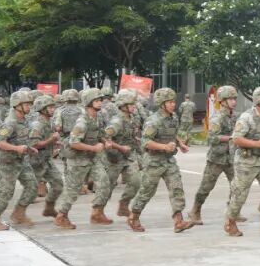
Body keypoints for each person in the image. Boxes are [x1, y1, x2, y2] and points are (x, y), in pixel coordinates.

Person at [128, 88, 194, 233]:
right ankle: (134, 216)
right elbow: (145, 142)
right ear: (162, 104)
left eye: (173, 102)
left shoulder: (173, 117)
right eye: (169, 102)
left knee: (176, 188)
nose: (173, 105)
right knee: (147, 191)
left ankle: (179, 221)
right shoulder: (153, 121)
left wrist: (180, 144)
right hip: (153, 161)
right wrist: (164, 146)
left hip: (169, 161)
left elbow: (173, 133)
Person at [223, 86, 260, 237]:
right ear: (259, 101)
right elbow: (236, 138)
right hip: (246, 160)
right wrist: (256, 144)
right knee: (240, 194)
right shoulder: (246, 117)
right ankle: (230, 222)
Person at [54, 88, 112, 229]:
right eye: (97, 101)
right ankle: (61, 216)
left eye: (100, 100)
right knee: (72, 191)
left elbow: (98, 134)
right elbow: (73, 142)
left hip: (92, 159)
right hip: (78, 161)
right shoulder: (82, 121)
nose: (100, 103)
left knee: (104, 183)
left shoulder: (96, 118)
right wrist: (94, 148)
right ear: (88, 102)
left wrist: (105, 141)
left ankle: (97, 213)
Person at [0, 91, 40, 231]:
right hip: (8, 162)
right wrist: (16, 148)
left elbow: (21, 139)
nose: (29, 106)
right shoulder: (10, 122)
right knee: (7, 191)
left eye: (29, 104)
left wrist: (29, 148)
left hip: (21, 161)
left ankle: (19, 213)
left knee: (32, 186)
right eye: (26, 104)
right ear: (17, 105)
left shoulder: (23, 119)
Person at [189, 85, 239, 225]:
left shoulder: (235, 116)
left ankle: (232, 211)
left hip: (231, 158)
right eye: (230, 99)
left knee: (237, 186)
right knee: (206, 188)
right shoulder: (217, 118)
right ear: (222, 101)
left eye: (235, 98)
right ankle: (195, 210)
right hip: (216, 159)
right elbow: (211, 138)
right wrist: (230, 138)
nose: (234, 101)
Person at [94, 89, 142, 222]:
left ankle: (123, 205)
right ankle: (97, 212)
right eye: (131, 104)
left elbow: (132, 137)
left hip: (128, 156)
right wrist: (119, 147)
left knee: (136, 182)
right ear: (123, 106)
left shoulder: (132, 118)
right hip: (113, 157)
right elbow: (105, 135)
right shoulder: (117, 121)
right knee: (107, 186)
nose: (134, 106)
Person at [28, 95, 64, 220]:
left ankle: (49, 208)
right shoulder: (37, 125)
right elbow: (34, 145)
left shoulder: (49, 123)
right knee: (30, 191)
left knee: (58, 184)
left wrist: (55, 143)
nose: (53, 109)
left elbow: (47, 141)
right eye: (50, 107)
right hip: (36, 162)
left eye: (53, 107)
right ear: (42, 109)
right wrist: (51, 140)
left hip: (46, 160)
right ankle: (18, 212)